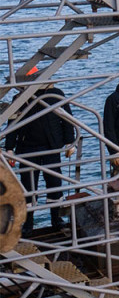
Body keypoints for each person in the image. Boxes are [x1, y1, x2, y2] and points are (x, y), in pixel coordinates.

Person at [3, 84, 75, 234]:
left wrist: (70, 141)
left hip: (52, 147)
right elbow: (12, 125)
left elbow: (67, 119)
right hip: (27, 148)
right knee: (27, 187)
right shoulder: (20, 99)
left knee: (54, 183)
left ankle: (56, 218)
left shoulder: (56, 94)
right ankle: (28, 223)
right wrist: (9, 147)